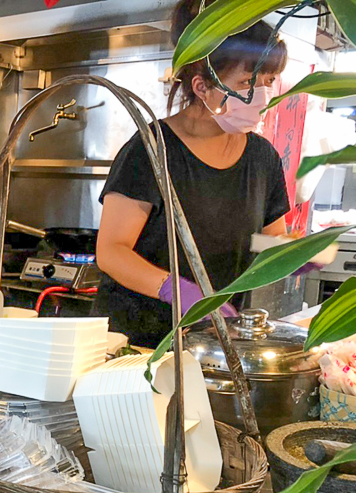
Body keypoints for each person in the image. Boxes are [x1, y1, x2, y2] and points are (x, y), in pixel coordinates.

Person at [92, 0, 290, 347]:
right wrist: (175, 289)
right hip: (136, 341)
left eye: (268, 81)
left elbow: (263, 240)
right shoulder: (150, 150)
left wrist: (297, 253)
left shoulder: (263, 158)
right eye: (246, 82)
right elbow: (111, 251)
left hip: (212, 343)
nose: (261, 96)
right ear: (202, 87)